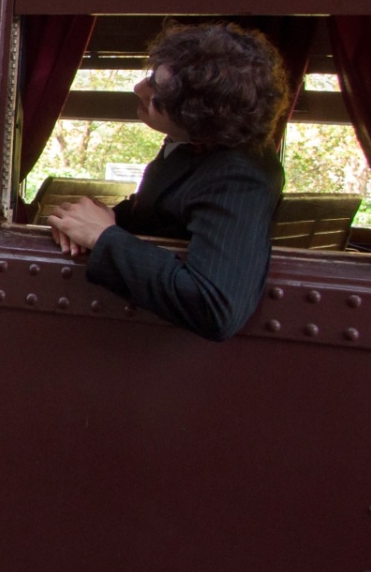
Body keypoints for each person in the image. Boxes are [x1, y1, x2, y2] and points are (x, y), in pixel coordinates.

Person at [44, 23, 288, 342]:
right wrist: (99, 219)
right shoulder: (194, 146)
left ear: (198, 116)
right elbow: (165, 213)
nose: (138, 88)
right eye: (150, 76)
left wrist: (105, 237)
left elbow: (215, 307)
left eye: (157, 91)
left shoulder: (238, 175)